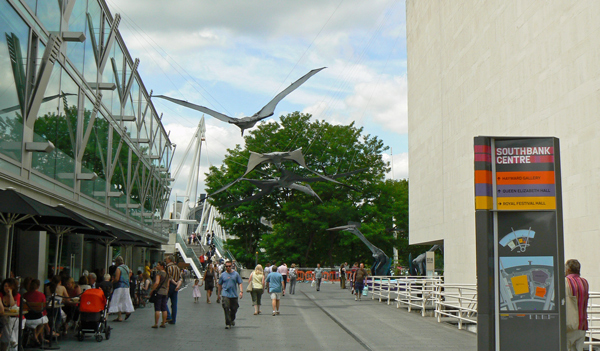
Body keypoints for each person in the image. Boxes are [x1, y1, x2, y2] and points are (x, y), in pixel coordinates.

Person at [565, 259, 589, 351]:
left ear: (568, 270)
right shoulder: (585, 282)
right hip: (582, 324)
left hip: (570, 325)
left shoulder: (565, 282)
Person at [217, 261, 243, 329]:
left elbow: (240, 282)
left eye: (229, 266)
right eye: (226, 266)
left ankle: (231, 319)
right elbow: (219, 284)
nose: (228, 267)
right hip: (225, 294)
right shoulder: (223, 275)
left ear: (231, 266)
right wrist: (218, 294)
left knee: (234, 308)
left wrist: (241, 291)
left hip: (234, 295)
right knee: (226, 307)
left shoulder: (235, 274)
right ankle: (228, 323)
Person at [23, 279, 49, 346]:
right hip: (38, 318)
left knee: (35, 323)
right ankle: (36, 336)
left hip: (27, 318)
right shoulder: (41, 295)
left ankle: (35, 336)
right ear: (38, 286)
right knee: (44, 320)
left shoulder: (25, 295)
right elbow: (44, 309)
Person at [109, 256, 134, 322]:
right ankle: (127, 312)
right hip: (126, 286)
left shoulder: (118, 268)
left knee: (117, 300)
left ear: (117, 262)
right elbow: (130, 273)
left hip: (119, 286)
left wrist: (112, 282)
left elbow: (117, 278)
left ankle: (120, 316)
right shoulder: (126, 267)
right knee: (125, 300)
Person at [1, 278, 23, 350]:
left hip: (16, 317)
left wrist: (10, 294)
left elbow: (13, 307)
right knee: (5, 320)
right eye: (5, 286)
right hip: (6, 317)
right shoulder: (1, 295)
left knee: (7, 322)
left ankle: (12, 341)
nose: (7, 288)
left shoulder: (17, 295)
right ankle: (13, 341)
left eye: (9, 286)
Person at [149, 261, 169, 328]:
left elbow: (157, 283)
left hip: (159, 292)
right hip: (165, 292)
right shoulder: (167, 274)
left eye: (158, 265)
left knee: (157, 308)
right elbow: (168, 285)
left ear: (162, 266)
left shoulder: (159, 273)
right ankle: (163, 323)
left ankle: (156, 324)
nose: (157, 266)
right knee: (164, 308)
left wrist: (152, 290)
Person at [165, 255, 182, 324]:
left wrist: (174, 283)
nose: (165, 260)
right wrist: (178, 285)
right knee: (174, 304)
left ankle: (168, 316)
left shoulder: (167, 267)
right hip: (176, 286)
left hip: (170, 285)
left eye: (166, 259)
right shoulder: (177, 268)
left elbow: (169, 278)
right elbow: (181, 278)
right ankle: (173, 319)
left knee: (164, 301)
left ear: (169, 260)